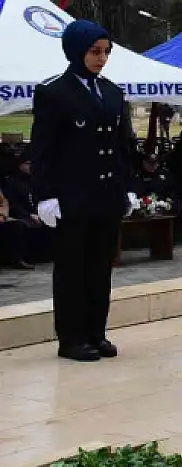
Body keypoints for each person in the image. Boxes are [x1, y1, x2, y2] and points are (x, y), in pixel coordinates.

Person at [30, 20, 139, 362]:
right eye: (95, 51)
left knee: (100, 268)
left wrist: (130, 188)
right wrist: (44, 195)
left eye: (106, 51)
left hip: (106, 196)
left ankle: (96, 332)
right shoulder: (54, 92)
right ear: (76, 50)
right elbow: (43, 150)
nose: (101, 58)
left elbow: (122, 147)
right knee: (71, 270)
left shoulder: (111, 92)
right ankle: (71, 338)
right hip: (72, 198)